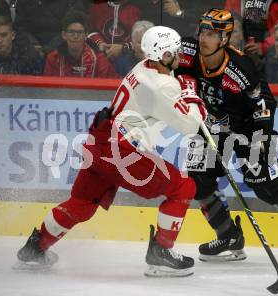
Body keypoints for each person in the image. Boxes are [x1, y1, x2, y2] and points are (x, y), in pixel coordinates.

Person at [16, 25, 208, 277]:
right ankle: (161, 252)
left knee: (82, 203)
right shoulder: (162, 86)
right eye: (175, 52)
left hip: (99, 142)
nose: (180, 57)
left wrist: (178, 82)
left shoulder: (141, 68)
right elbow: (192, 125)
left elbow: (165, 86)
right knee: (183, 186)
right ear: (163, 56)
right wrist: (191, 92)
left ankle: (35, 248)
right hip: (122, 153)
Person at [175, 8, 278, 262]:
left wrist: (261, 138)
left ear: (225, 40)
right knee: (198, 179)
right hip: (212, 127)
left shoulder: (242, 69)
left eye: (211, 34)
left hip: (250, 128)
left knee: (262, 184)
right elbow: (168, 65)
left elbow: (264, 104)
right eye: (202, 31)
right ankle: (228, 235)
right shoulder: (187, 50)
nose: (203, 38)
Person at [43, 11, 119, 78]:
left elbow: (111, 88)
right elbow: (46, 89)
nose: (76, 36)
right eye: (71, 32)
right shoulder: (53, 59)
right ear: (64, 35)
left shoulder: (99, 59)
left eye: (80, 32)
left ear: (86, 35)